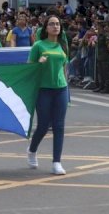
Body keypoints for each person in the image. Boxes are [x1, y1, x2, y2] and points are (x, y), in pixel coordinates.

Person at [27, 15, 69, 175]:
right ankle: (31, 150)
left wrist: (67, 88)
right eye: (52, 24)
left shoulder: (63, 45)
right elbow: (29, 68)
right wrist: (39, 63)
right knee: (43, 125)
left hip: (61, 89)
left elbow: (65, 68)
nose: (55, 26)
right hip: (43, 89)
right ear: (45, 28)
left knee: (59, 126)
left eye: (58, 24)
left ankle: (56, 162)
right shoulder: (38, 45)